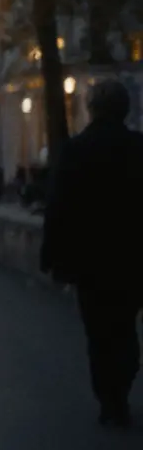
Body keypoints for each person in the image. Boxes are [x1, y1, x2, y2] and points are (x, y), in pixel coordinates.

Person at [41, 79, 143, 428]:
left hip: (89, 260)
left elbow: (58, 208)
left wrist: (51, 257)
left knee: (98, 331)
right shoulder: (138, 148)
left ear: (91, 109)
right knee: (127, 324)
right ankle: (124, 384)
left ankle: (109, 398)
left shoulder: (75, 150)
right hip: (132, 256)